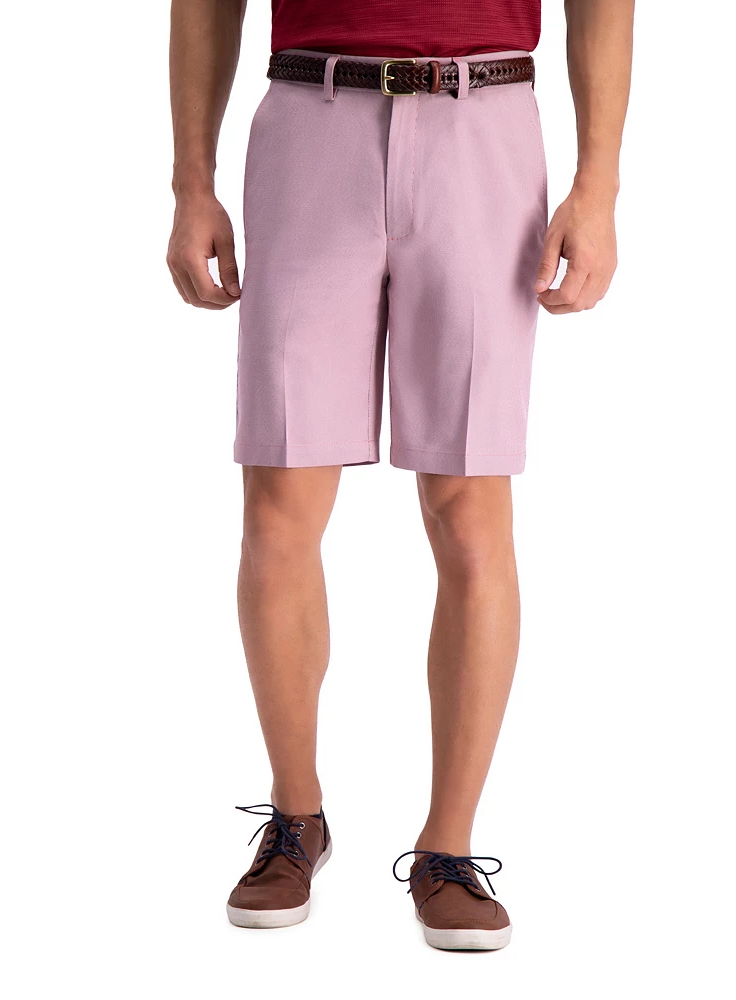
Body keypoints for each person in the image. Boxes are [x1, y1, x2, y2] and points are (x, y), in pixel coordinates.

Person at [167, 0, 634, 951]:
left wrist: (599, 184)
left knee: (470, 508)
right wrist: (191, 181)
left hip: (485, 119)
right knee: (279, 504)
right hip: (310, 119)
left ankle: (448, 850)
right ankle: (296, 817)